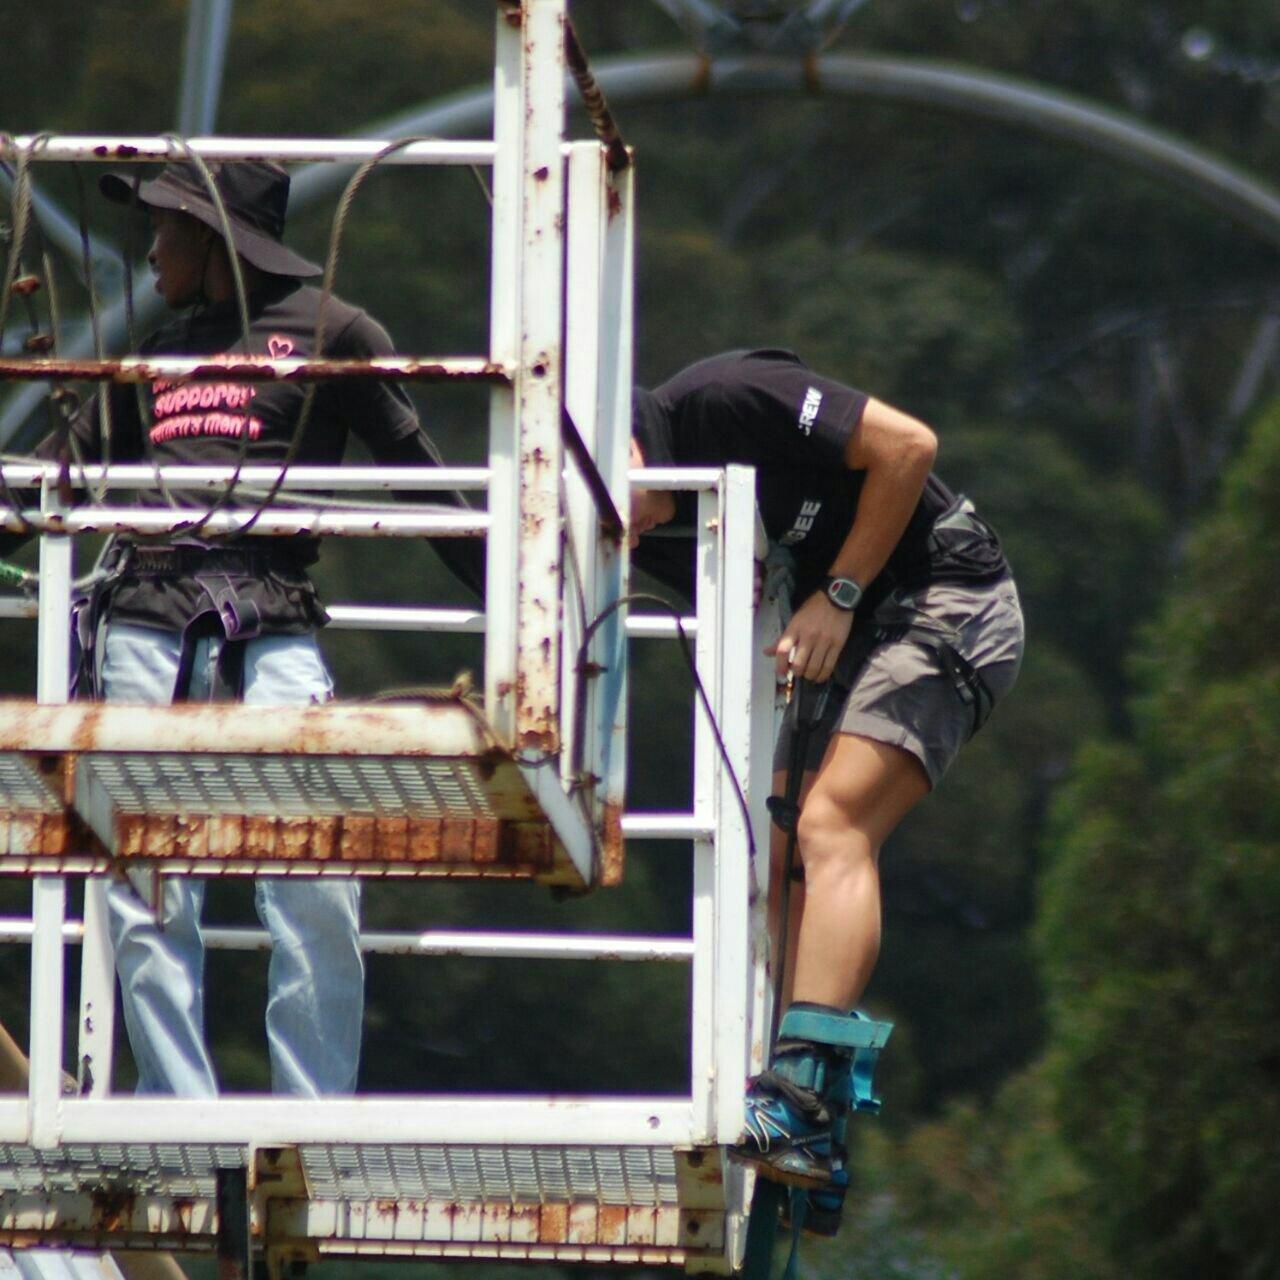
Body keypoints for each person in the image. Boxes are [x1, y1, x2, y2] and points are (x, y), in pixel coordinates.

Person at [0, 160, 478, 1097]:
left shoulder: (335, 332)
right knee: (144, 881)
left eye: (166, 230)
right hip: (146, 615)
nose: (151, 250)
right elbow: (57, 470)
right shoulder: (155, 357)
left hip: (270, 615)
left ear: (212, 239)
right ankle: (179, 1107)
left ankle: (312, 1112)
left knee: (317, 877)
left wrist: (526, 603)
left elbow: (423, 483)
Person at [630, 349, 1024, 1230]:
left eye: (605, 506)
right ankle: (808, 1107)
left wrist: (839, 593)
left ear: (628, 447)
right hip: (854, 637)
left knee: (832, 824)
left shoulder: (722, 401)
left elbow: (909, 447)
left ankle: (799, 1098)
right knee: (779, 852)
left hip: (944, 593)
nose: (617, 535)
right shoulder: (668, 516)